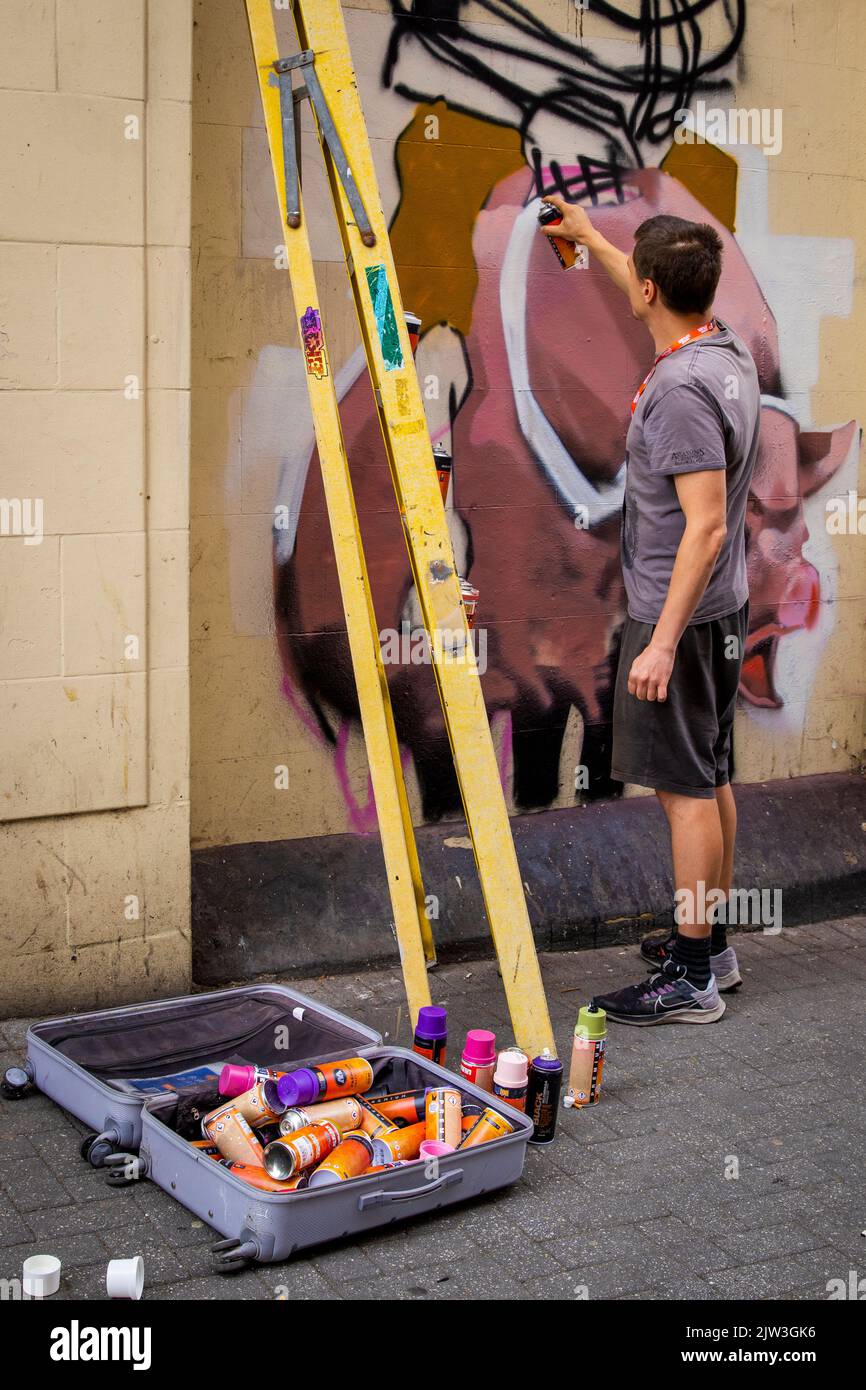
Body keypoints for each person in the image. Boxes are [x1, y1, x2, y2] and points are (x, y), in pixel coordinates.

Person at [541, 196, 760, 1024]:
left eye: (634, 273)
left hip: (684, 617)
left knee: (682, 790)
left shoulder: (677, 392)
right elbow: (654, 289)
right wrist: (594, 240)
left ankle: (693, 979)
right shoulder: (721, 349)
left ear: (648, 291)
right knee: (709, 774)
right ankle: (714, 948)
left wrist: (660, 643)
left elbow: (703, 524)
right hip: (721, 613)